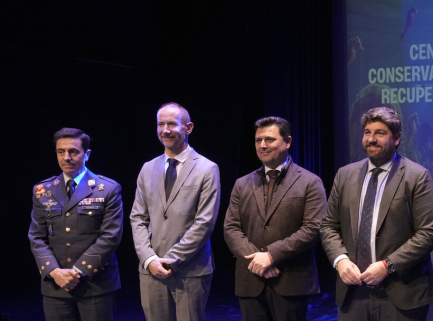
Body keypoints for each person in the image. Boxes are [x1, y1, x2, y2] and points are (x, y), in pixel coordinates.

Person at [320, 107, 433, 321]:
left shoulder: (417, 176)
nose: (371, 139)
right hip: (353, 293)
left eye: (380, 133)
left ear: (397, 138)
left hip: (401, 293)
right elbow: (329, 225)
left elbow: (428, 233)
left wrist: (388, 265)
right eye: (367, 132)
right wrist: (340, 260)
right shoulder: (345, 175)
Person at [223, 117, 326, 321]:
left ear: (287, 142)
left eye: (269, 139)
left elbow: (314, 228)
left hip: (291, 282)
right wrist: (257, 260)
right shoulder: (242, 184)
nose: (262, 145)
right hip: (250, 281)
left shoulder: (310, 182)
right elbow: (231, 228)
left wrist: (271, 256)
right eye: (258, 140)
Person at [130, 102, 221, 321]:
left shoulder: (207, 168)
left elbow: (204, 223)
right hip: (151, 270)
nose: (165, 130)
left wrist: (170, 260)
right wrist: (149, 259)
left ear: (188, 128)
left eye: (172, 123)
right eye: (161, 124)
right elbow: (137, 218)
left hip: (191, 271)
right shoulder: (147, 168)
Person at [29, 128, 123, 321]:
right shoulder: (42, 190)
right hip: (56, 284)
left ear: (87, 154)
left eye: (73, 151)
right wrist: (54, 271)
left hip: (95, 284)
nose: (67, 157)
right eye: (61, 152)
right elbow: (36, 236)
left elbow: (110, 236)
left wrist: (77, 272)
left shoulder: (108, 189)